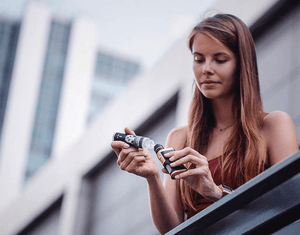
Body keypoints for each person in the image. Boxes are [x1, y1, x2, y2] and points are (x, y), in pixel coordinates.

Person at [111, 14, 299, 234]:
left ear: (241, 64)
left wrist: (216, 193)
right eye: (199, 59)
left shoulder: (273, 125)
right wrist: (152, 178)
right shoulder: (180, 138)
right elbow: (170, 229)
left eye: (220, 59)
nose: (206, 69)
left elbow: (292, 204)